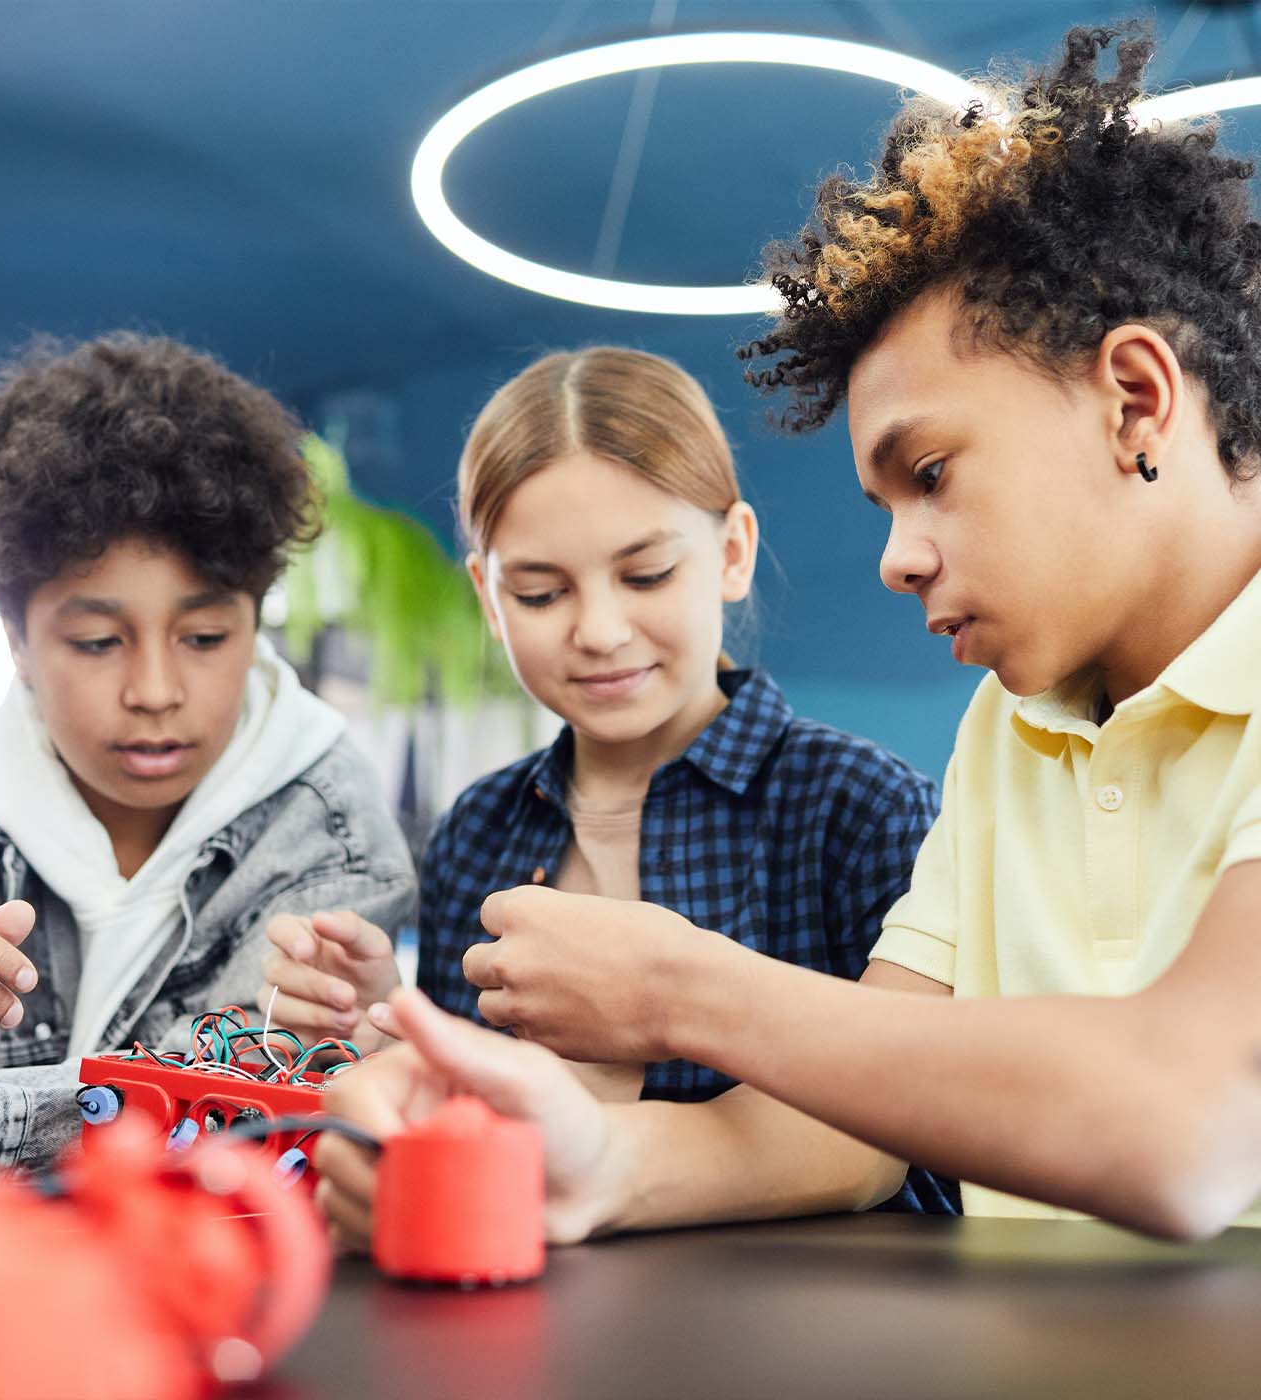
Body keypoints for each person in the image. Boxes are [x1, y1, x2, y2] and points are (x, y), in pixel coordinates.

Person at [315, 25, 1261, 1243]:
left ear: (1134, 397)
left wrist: (679, 989)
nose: (895, 555)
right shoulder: (1010, 731)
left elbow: (1185, 1121)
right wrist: (587, 1159)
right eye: (885, 505)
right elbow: (850, 1122)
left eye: (928, 471)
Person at [283, 344, 955, 1220]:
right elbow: (466, 1128)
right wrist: (385, 1028)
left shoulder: (864, 807)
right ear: (488, 597)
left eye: (646, 574)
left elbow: (903, 1132)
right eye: (539, 593)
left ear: (733, 552)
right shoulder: (477, 832)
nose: (599, 630)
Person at [0, 332, 415, 1190]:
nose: (156, 689)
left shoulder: (331, 849)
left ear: (256, 619)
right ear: (15, 637)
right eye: (95, 641)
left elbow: (218, 1134)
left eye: (204, 637)